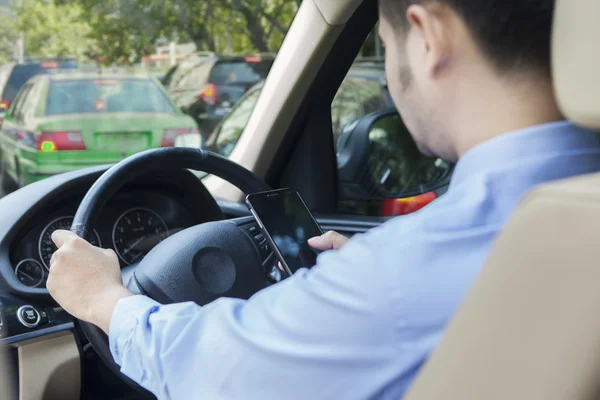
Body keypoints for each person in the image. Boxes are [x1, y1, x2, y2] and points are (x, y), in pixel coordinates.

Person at [46, 0, 600, 399]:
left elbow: (217, 374)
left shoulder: (402, 275)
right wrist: (356, 275)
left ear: (428, 36)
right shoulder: (558, 216)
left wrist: (102, 300)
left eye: (384, 46)